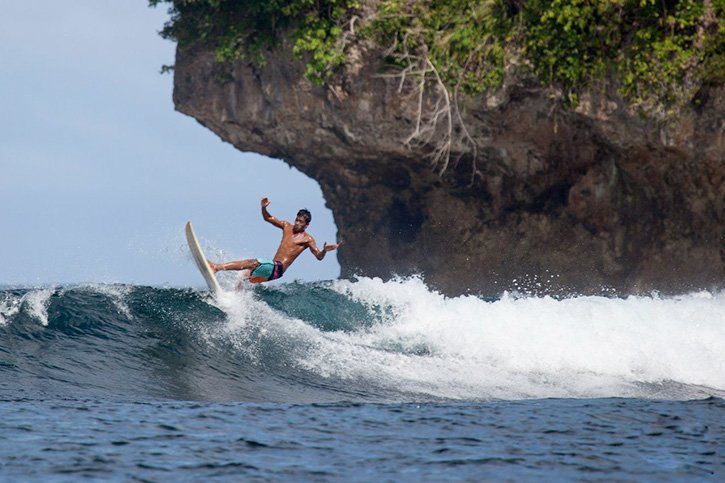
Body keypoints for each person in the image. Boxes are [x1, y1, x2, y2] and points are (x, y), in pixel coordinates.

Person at [207, 197, 340, 284]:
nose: (297, 223)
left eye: (300, 222)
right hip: (272, 271)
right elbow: (269, 218)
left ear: (306, 225)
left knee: (253, 262)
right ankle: (234, 299)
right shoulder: (287, 226)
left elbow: (318, 256)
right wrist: (264, 208)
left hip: (278, 268)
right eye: (296, 220)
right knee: (244, 277)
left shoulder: (308, 239)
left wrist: (325, 250)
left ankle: (216, 267)